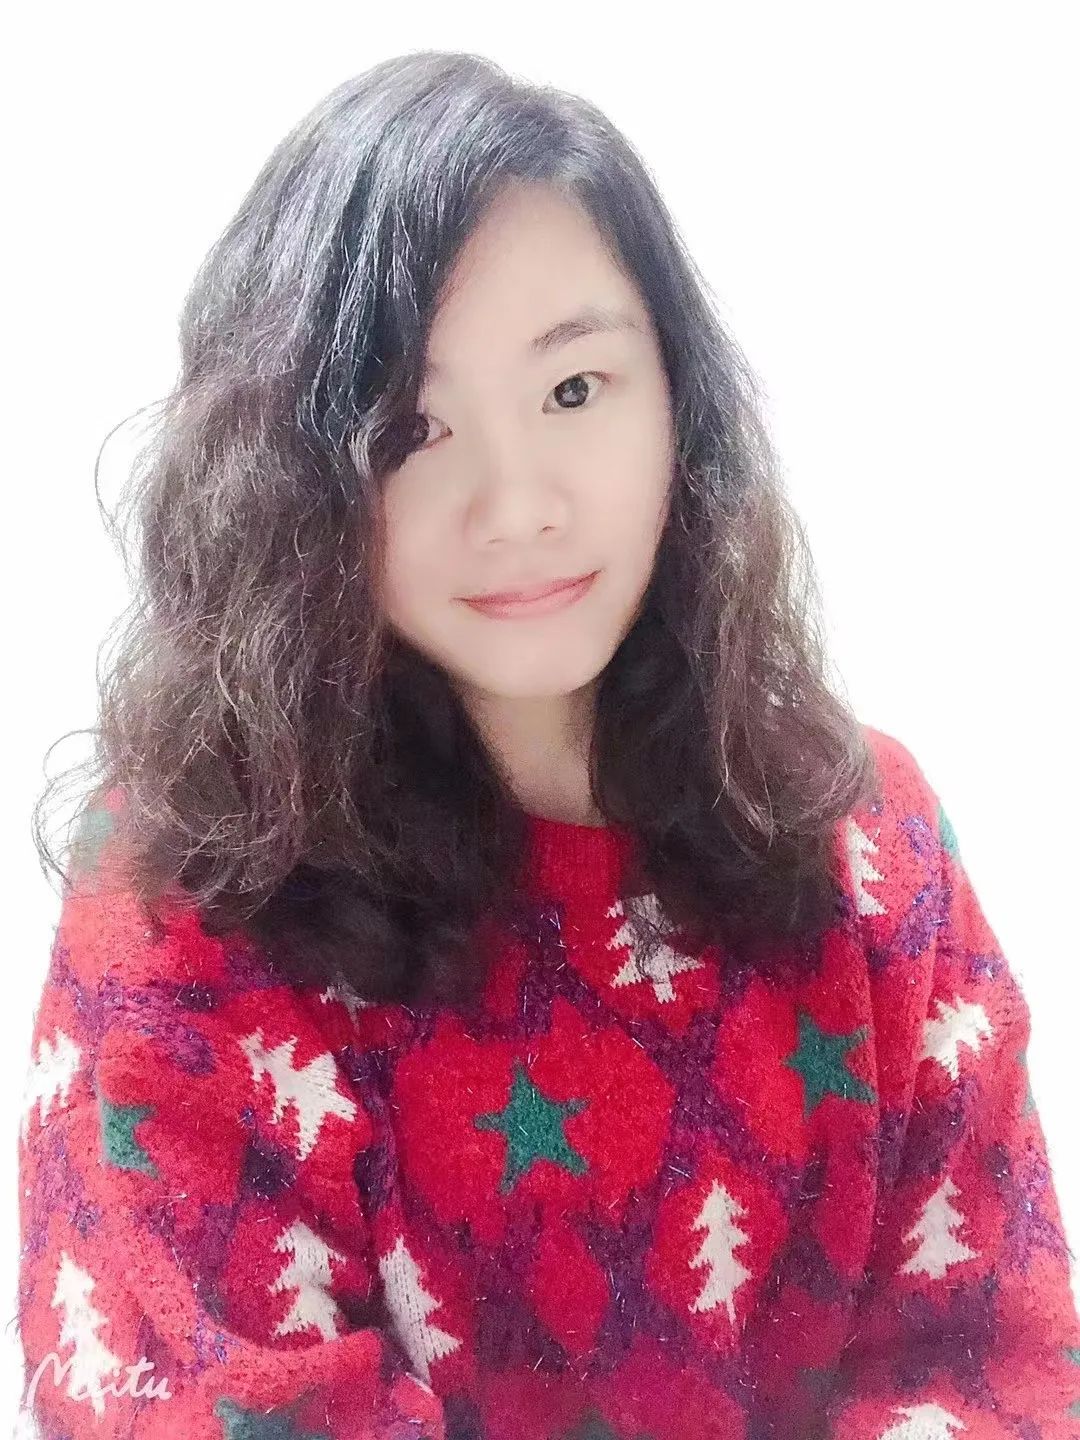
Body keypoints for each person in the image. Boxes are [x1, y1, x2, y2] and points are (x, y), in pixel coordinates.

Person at [17, 49, 1079, 1440]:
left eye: (575, 390)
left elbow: (993, 1361)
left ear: (679, 401)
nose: (517, 505)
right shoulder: (190, 894)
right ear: (286, 476)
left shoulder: (866, 833)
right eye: (412, 427)